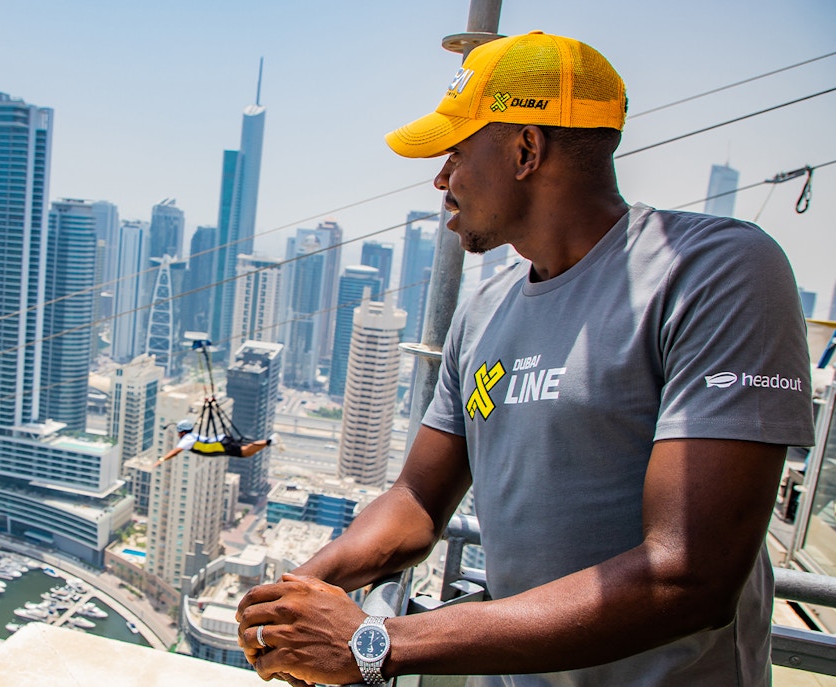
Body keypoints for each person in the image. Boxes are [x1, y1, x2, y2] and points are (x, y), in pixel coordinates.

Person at [234, 31, 814, 686]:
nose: (441, 177)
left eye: (456, 150)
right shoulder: (484, 311)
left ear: (525, 149)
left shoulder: (713, 273)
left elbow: (689, 572)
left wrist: (377, 640)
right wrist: (298, 592)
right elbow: (418, 498)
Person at [156, 418, 278, 465]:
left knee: (245, 452)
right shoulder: (191, 436)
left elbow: (176, 451)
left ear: (182, 432)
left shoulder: (187, 439)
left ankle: (270, 441)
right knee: (245, 451)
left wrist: (161, 460)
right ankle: (269, 442)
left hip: (220, 445)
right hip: (220, 442)